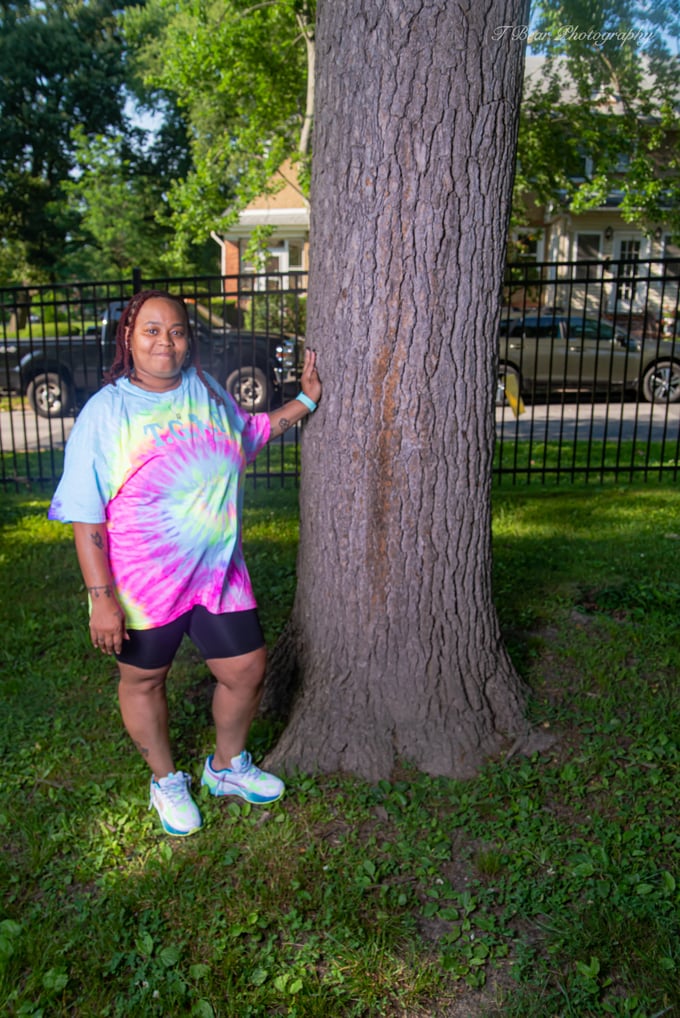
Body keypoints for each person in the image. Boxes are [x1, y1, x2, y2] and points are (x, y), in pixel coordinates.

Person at [49, 289, 322, 837]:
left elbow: (241, 437)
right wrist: (103, 600)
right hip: (141, 584)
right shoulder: (107, 412)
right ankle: (165, 780)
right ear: (128, 337)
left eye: (175, 331)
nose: (164, 342)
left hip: (216, 572)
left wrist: (305, 403)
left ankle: (225, 768)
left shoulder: (204, 389)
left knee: (245, 670)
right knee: (145, 679)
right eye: (150, 330)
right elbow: (86, 515)